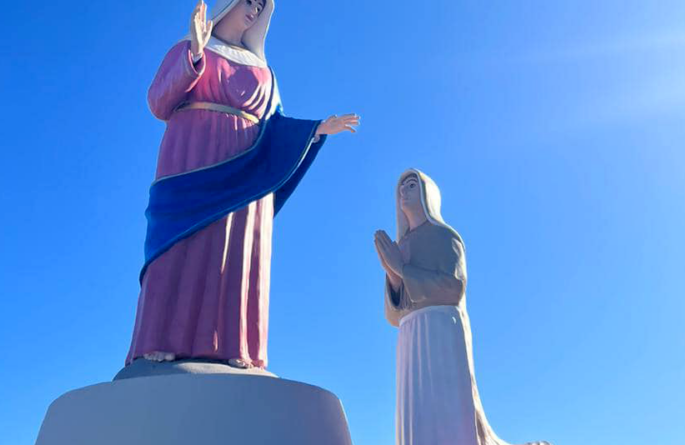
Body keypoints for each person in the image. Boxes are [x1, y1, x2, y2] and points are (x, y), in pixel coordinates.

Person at [126, 0, 359, 370]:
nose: (254, 9)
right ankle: (162, 338)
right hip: (192, 159)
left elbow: (274, 123)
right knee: (181, 245)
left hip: (249, 171)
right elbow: (158, 103)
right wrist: (194, 53)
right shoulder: (190, 47)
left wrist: (315, 129)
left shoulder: (263, 68)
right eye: (248, 0)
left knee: (238, 251)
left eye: (261, 4)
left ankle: (235, 343)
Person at [375, 169, 550, 445]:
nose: (403, 192)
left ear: (427, 194)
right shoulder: (402, 245)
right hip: (410, 336)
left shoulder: (446, 236)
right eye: (401, 188)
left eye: (411, 185)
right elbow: (394, 315)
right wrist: (395, 278)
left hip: (440, 331)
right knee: (415, 413)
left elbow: (453, 288)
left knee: (444, 408)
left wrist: (402, 269)